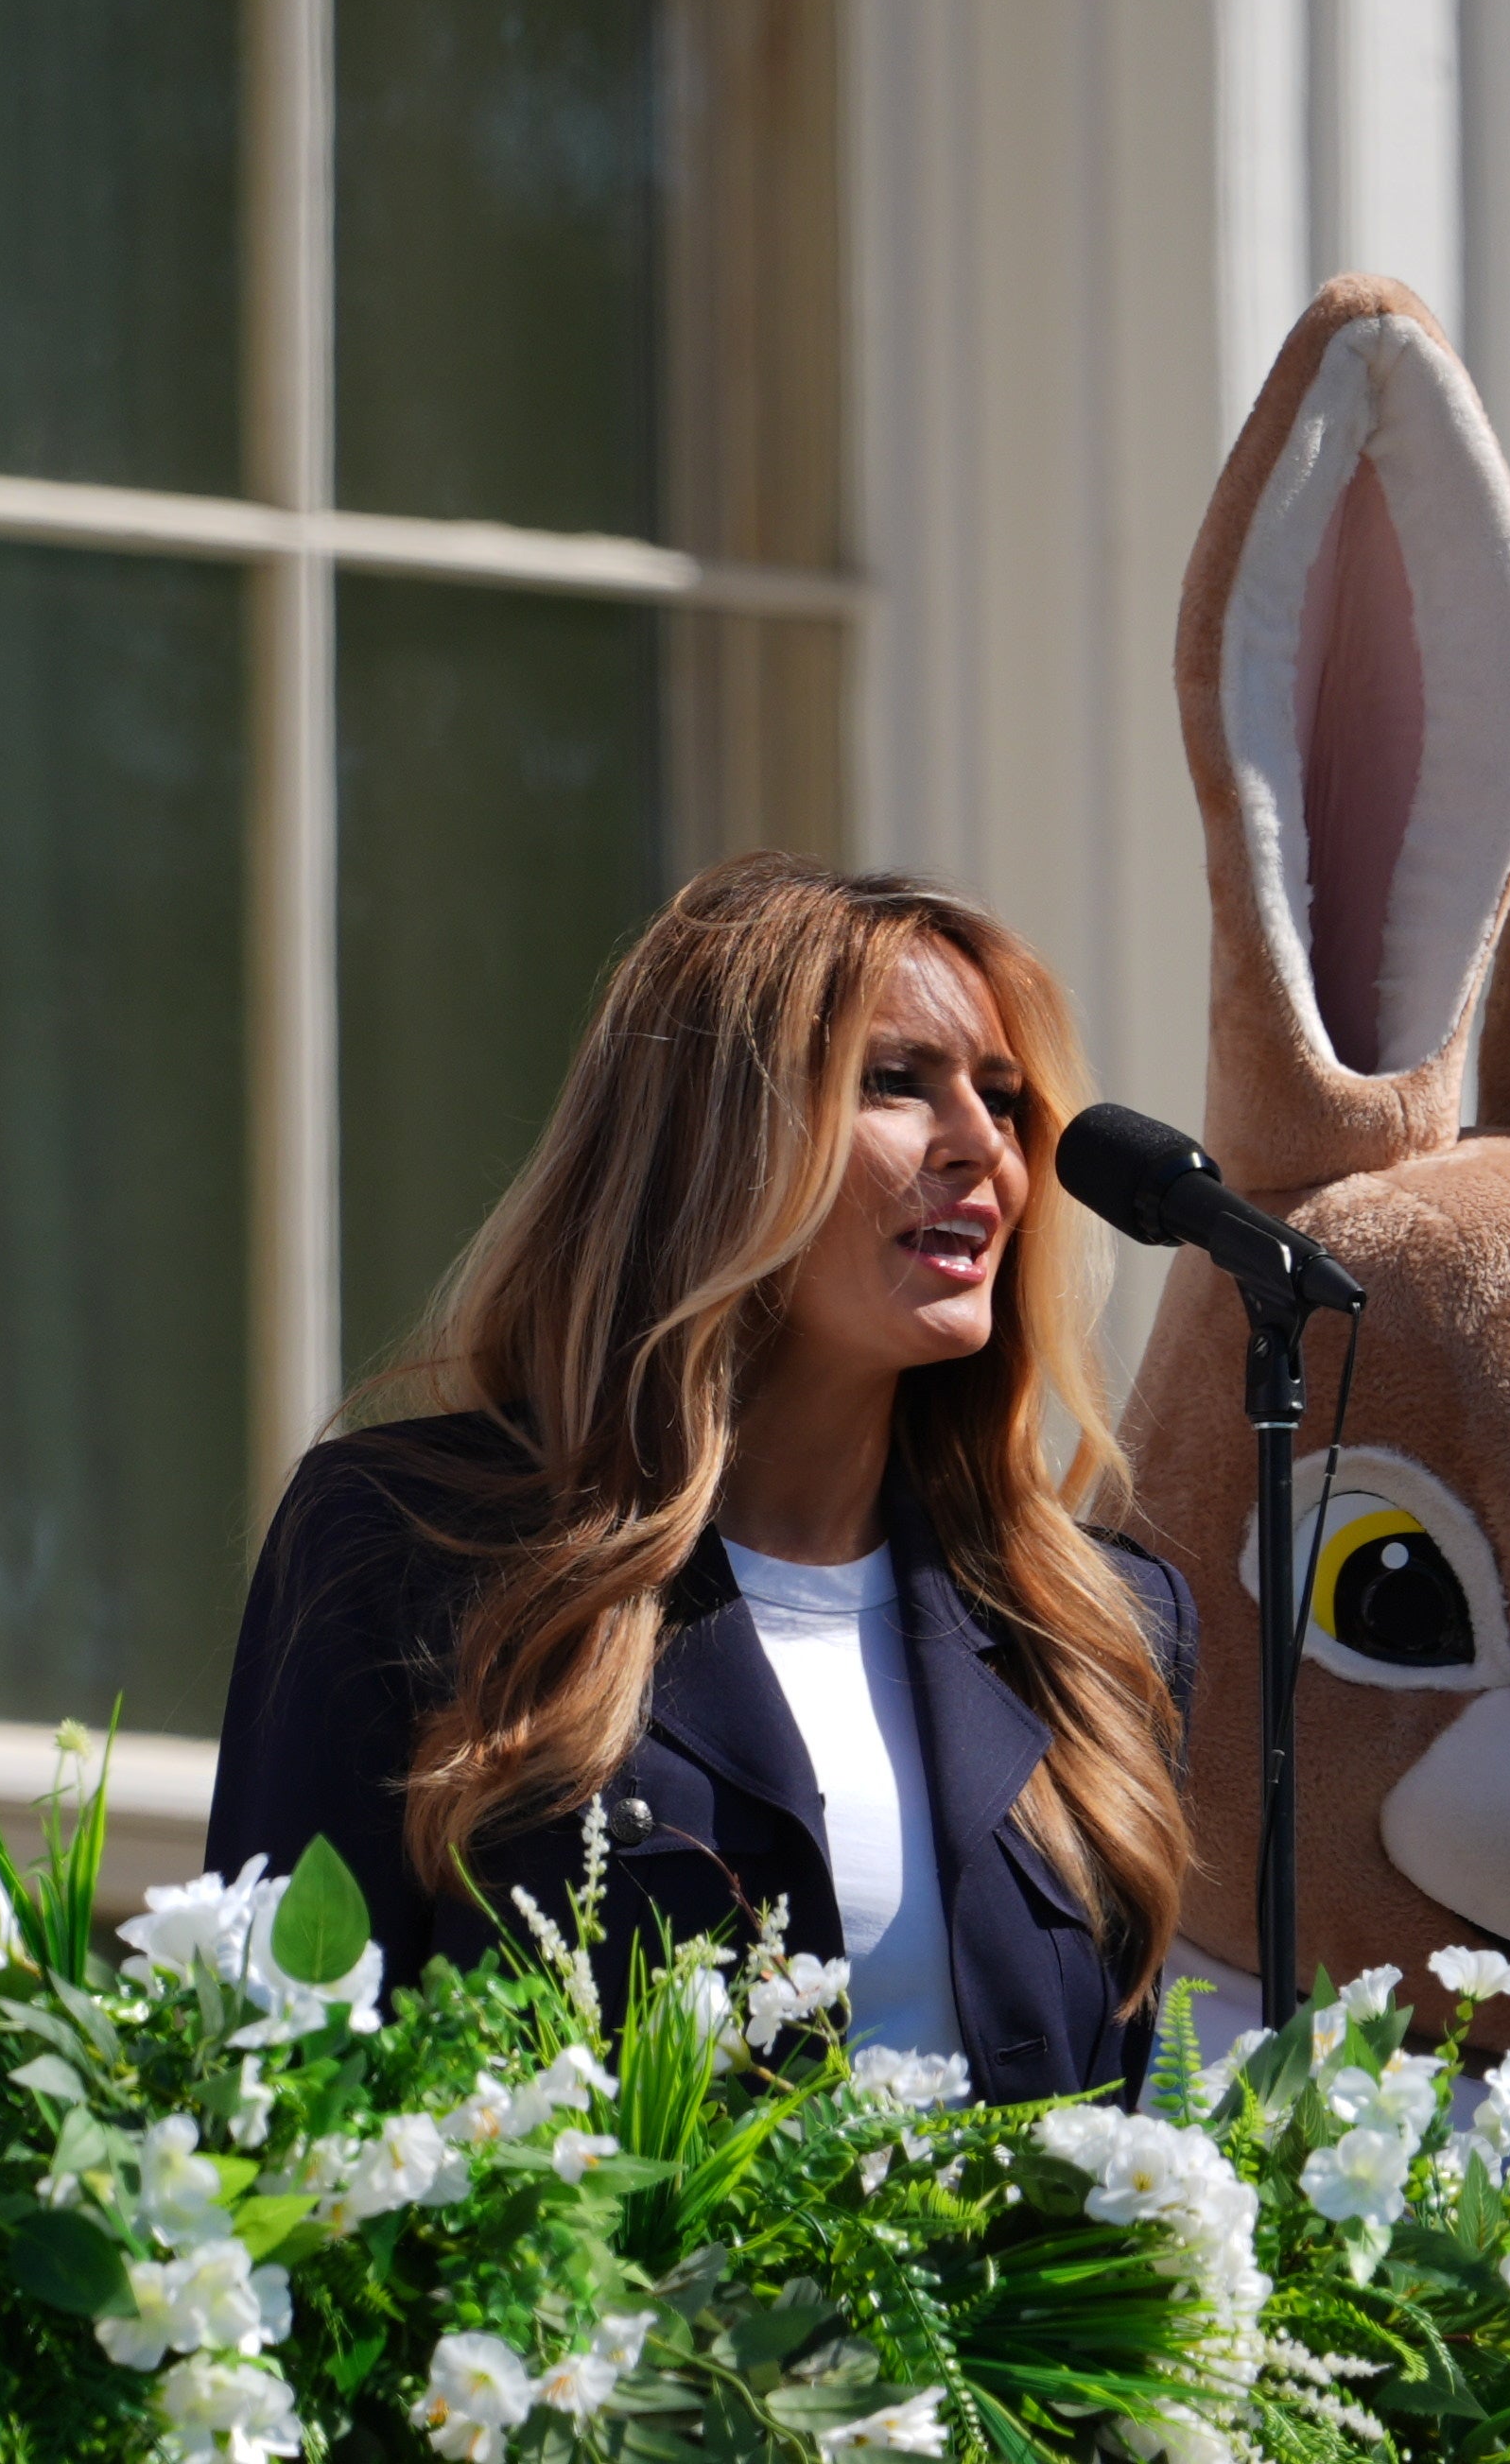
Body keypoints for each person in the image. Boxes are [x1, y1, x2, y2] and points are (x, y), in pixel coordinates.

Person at [206, 856, 1196, 2103]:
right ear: (713, 1142)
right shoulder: (417, 1545)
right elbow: (277, 2080)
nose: (983, 1150)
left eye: (1002, 1100)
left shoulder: (1100, 1629)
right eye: (894, 1083)